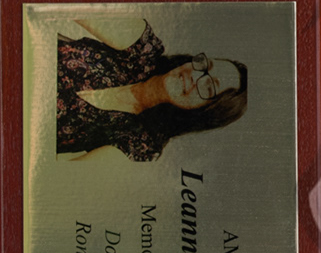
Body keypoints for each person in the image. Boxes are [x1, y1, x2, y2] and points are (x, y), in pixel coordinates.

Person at [55, 17, 247, 161]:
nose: (195, 76)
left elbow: (69, 177)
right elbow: (70, 4)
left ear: (204, 112)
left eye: (209, 87)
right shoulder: (143, 48)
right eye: (205, 66)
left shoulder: (143, 144)